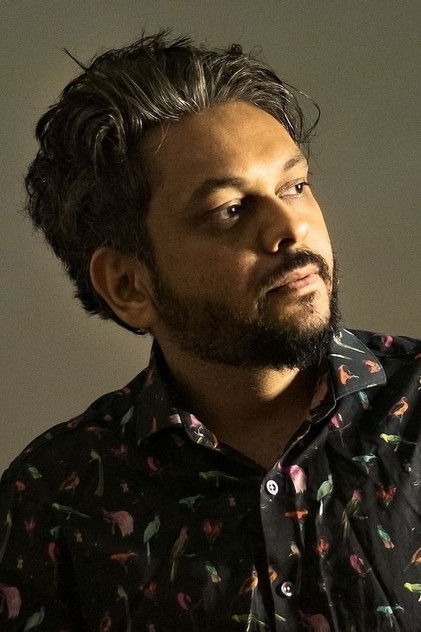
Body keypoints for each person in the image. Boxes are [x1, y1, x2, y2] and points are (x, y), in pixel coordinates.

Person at [0, 29, 419, 632]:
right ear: (128, 285)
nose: (290, 228)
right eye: (230, 209)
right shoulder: (54, 499)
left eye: (294, 186)